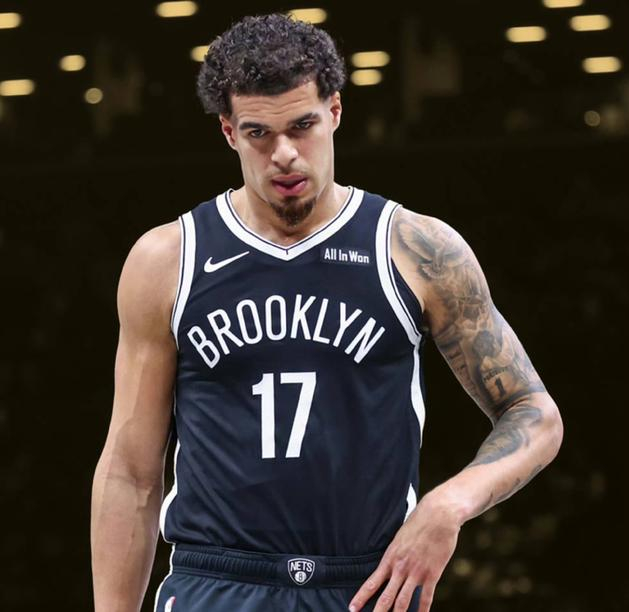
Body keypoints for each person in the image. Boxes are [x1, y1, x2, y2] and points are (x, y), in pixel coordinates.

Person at [90, 13, 563, 612]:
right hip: (217, 581)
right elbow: (130, 471)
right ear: (229, 132)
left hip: (366, 583)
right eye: (259, 133)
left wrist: (450, 504)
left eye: (302, 126)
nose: (285, 154)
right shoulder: (168, 259)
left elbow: (535, 414)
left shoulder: (416, 248)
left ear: (334, 111)